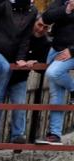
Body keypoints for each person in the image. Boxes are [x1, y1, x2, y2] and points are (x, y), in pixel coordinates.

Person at [0, 0, 38, 145]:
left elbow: (25, 37)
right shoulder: (5, 4)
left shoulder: (32, 11)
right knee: (3, 69)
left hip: (8, 60)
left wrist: (21, 58)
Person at [4, 18, 53, 144]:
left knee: (19, 106)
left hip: (20, 78)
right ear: (34, 23)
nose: (41, 29)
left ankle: (18, 137)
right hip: (3, 76)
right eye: (39, 25)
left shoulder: (45, 43)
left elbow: (44, 68)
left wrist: (36, 63)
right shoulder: (20, 34)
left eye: (45, 27)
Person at [39, 0, 74, 145]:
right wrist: (67, 8)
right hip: (55, 49)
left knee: (52, 73)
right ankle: (55, 134)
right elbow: (46, 17)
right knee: (55, 94)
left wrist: (72, 51)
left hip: (71, 52)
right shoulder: (61, 2)